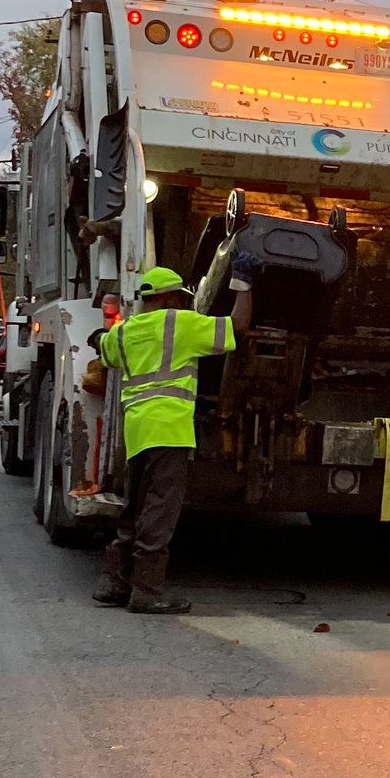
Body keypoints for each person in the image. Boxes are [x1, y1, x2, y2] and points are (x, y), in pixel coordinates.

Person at [90, 253, 255, 614]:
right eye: (179, 297)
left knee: (135, 508)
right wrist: (243, 282)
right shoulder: (180, 324)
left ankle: (113, 583)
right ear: (166, 299)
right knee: (160, 511)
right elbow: (238, 326)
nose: (182, 303)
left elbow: (104, 349)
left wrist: (100, 337)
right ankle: (147, 592)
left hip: (137, 434)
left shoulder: (125, 331)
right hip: (170, 432)